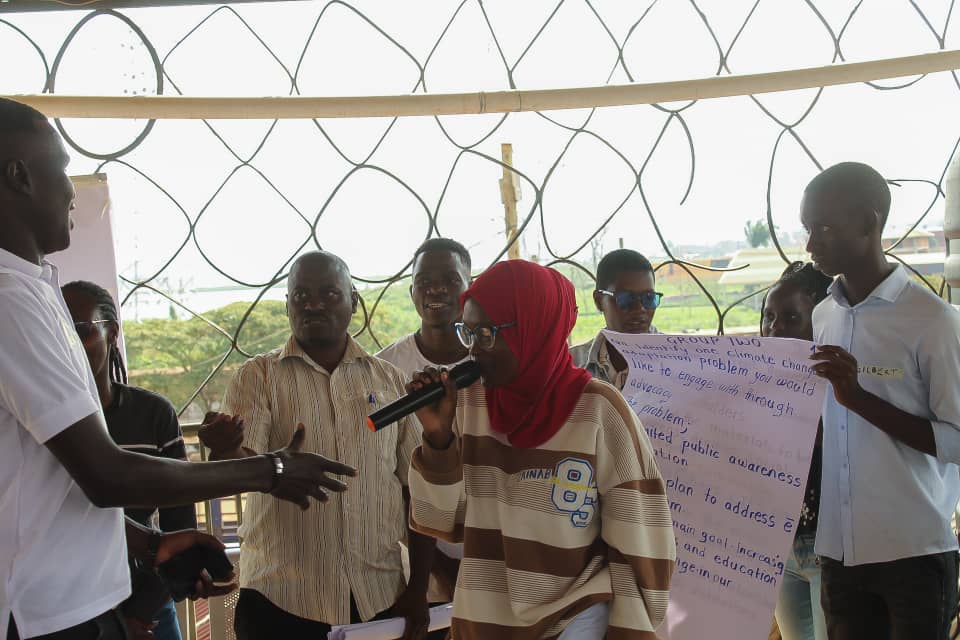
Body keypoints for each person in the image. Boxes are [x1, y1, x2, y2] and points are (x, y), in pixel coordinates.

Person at [0, 97, 355, 640]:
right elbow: (105, 474)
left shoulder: (34, 291)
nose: (72, 190)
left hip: (73, 604)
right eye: (63, 168)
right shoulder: (10, 303)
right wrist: (270, 471)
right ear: (19, 176)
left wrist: (147, 542)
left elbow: (47, 480)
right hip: (46, 615)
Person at [407, 259, 676, 639]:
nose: (473, 351)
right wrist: (438, 438)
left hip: (574, 622)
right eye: (467, 333)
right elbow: (440, 520)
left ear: (534, 329)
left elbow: (642, 544)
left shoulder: (599, 410)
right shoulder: (468, 404)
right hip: (485, 624)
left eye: (485, 334)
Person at [199, 251, 434, 640]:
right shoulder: (257, 376)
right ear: (287, 305)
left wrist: (418, 588)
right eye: (301, 295)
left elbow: (417, 490)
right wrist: (227, 450)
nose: (313, 304)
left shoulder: (390, 380)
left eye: (329, 293)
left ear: (354, 302)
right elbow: (243, 465)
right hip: (280, 601)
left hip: (379, 596)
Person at [804, 162, 960, 639]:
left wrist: (858, 398)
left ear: (869, 224)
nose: (810, 245)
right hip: (840, 551)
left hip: (913, 550)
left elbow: (957, 440)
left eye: (824, 228)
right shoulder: (823, 315)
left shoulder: (931, 320)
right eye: (808, 229)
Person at [62, 280, 196, 640]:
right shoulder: (40, 422)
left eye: (82, 330)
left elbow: (179, 521)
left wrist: (140, 612)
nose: (69, 343)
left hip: (148, 603)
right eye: (58, 330)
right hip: (68, 611)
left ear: (112, 332)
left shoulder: (152, 414)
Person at [377, 237, 471, 604]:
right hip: (422, 580)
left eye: (450, 279)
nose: (436, 289)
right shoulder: (385, 370)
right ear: (412, 291)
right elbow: (389, 482)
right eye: (424, 281)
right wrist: (441, 570)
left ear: (470, 285)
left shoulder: (494, 361)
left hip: (500, 562)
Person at [761, 263, 832, 640]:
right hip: (779, 546)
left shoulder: (839, 384)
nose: (775, 327)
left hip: (827, 546)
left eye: (791, 317)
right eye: (769, 316)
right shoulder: (754, 383)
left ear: (818, 323)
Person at [571, 249, 662, 389]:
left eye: (649, 298)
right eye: (626, 298)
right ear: (599, 301)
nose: (639, 308)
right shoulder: (571, 366)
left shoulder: (683, 366)